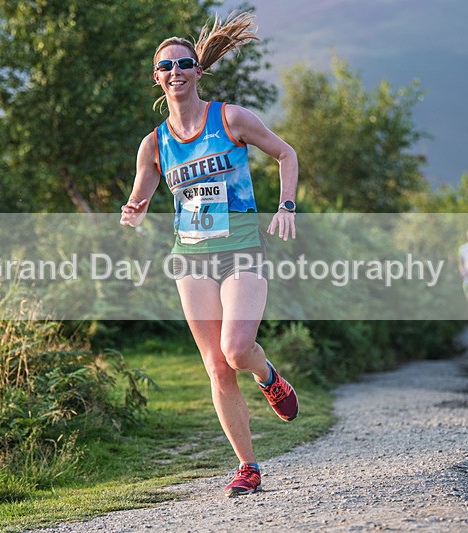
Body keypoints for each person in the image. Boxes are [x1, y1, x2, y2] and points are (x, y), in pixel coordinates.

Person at [119, 12, 300, 497]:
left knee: (237, 350)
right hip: (191, 256)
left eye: (184, 63)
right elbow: (142, 193)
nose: (175, 72)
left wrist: (286, 206)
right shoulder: (153, 144)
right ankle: (248, 467)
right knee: (216, 366)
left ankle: (268, 376)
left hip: (241, 246)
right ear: (156, 78)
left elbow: (286, 154)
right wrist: (133, 211)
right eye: (166, 67)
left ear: (198, 71)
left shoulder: (231, 118)